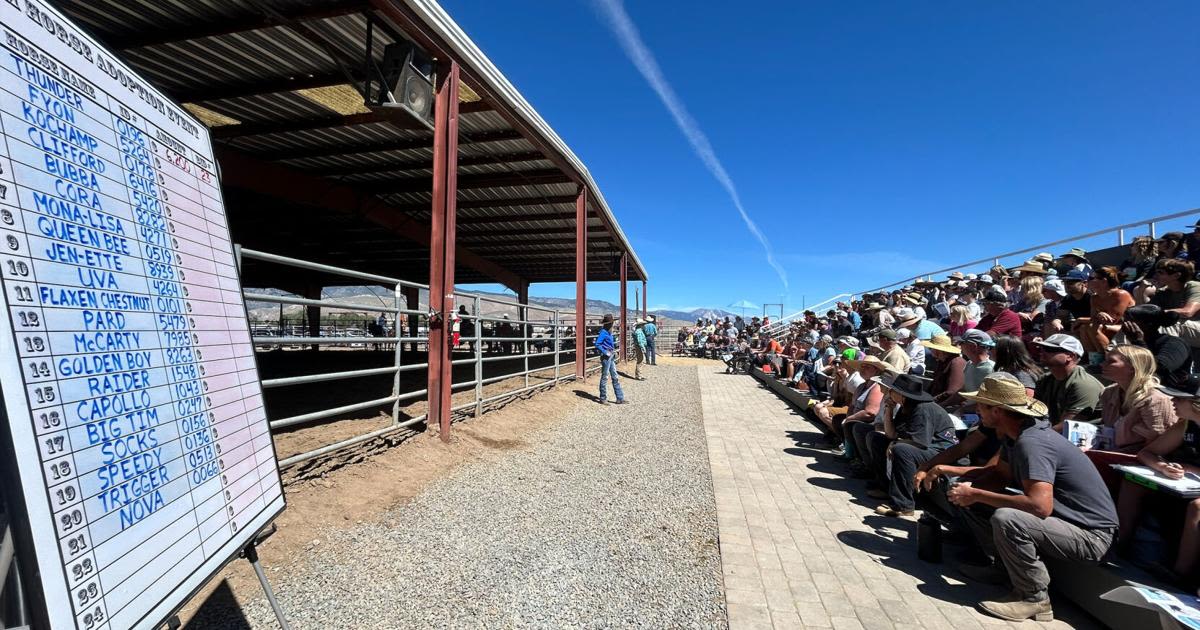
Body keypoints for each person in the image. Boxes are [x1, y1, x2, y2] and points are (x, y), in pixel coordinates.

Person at [952, 374, 1118, 622]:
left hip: (1091, 535)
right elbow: (1001, 478)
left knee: (1008, 517)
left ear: (998, 411)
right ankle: (1004, 570)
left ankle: (1034, 598)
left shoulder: (1033, 443)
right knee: (981, 501)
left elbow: (1039, 507)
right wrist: (969, 491)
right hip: (1065, 523)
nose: (977, 410)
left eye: (982, 405)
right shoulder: (1014, 437)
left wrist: (974, 493)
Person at [1116, 377, 1200, 585]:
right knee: (1133, 483)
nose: (1172, 401)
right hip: (1182, 484)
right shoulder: (1186, 425)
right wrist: (1163, 466)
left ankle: (1178, 574)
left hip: (1194, 489)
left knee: (1197, 508)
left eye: (1179, 399)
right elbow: (1147, 453)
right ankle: (1117, 544)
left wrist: (1190, 469)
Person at [867, 374, 959, 518]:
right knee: (876, 439)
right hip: (924, 446)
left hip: (940, 451)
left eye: (892, 390)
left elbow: (921, 442)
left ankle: (904, 505)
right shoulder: (905, 406)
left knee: (901, 450)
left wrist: (895, 443)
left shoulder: (922, 408)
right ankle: (885, 488)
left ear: (902, 394)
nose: (889, 392)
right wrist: (888, 411)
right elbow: (891, 434)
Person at [1033, 334, 1104, 430]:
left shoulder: (1084, 385)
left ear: (1070, 356)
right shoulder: (1045, 380)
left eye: (1050, 350)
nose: (1042, 352)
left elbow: (1066, 426)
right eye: (1041, 348)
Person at [1123, 304, 1193, 390]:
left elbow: (1160, 369)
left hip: (1171, 394)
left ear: (1148, 324)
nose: (1125, 325)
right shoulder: (1132, 344)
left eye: (1130, 322)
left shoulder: (1175, 344)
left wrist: (1138, 342)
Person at [1078, 266, 1135, 366]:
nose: (1088, 281)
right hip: (1108, 327)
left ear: (1103, 281)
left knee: (1093, 327)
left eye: (1091, 278)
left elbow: (1112, 320)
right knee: (1083, 328)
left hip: (1126, 327)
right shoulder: (1094, 298)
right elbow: (1094, 318)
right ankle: (1095, 362)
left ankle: (1108, 360)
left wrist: (1081, 319)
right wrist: (1096, 316)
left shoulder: (1121, 294)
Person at [1151, 258, 1200, 348]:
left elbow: (1188, 312)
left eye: (1160, 272)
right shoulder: (1163, 291)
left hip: (1197, 326)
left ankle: (1164, 360)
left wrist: (1156, 313)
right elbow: (1145, 310)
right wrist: (1141, 291)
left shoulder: (1194, 286)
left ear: (1176, 276)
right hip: (1188, 329)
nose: (1155, 275)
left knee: (1171, 325)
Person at [594, 314, 625, 404]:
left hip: (610, 355)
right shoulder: (603, 332)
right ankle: (603, 397)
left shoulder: (608, 332)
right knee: (605, 376)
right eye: (612, 323)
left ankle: (620, 398)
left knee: (614, 376)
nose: (613, 324)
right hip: (606, 356)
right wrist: (605, 352)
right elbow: (597, 344)